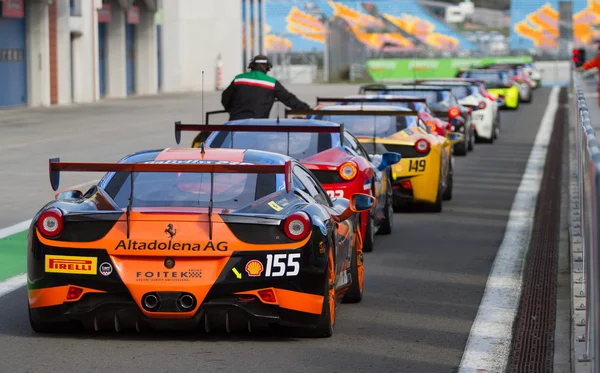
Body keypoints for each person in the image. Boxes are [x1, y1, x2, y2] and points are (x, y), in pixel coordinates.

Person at [221, 55, 311, 121]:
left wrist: (232, 111)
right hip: (258, 125)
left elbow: (225, 98)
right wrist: (308, 110)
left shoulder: (239, 79)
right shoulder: (271, 83)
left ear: (252, 66)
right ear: (267, 67)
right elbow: (289, 99)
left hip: (235, 123)